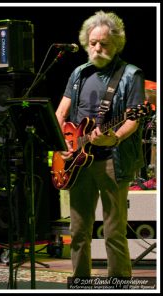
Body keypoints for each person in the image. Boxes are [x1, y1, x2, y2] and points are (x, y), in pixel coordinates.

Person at [55, 11, 145, 277]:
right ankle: (81, 282)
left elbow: (133, 119)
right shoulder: (79, 74)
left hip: (112, 161)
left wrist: (114, 136)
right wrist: (63, 145)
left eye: (103, 43)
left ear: (115, 44)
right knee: (78, 230)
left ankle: (119, 284)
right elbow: (61, 114)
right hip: (78, 161)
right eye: (92, 42)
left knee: (113, 230)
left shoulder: (130, 74)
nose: (96, 48)